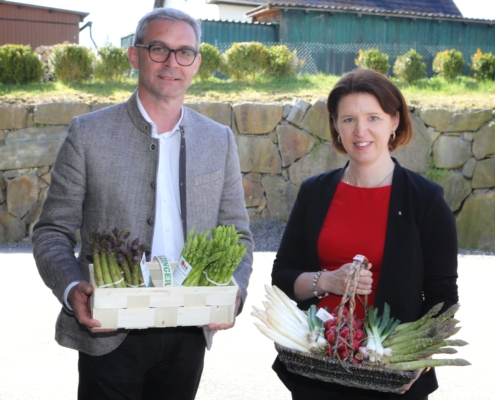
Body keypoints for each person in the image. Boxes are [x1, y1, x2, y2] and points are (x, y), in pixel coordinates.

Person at [32, 8, 253, 400]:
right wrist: (71, 288)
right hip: (111, 330)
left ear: (197, 64)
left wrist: (233, 289)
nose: (172, 62)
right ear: (135, 56)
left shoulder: (218, 140)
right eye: (158, 49)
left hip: (190, 329)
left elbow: (238, 234)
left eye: (184, 52)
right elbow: (52, 230)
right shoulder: (89, 133)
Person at [271, 68, 458, 400]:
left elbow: (442, 296)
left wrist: (418, 362)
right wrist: (327, 281)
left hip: (391, 374)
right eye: (348, 120)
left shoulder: (425, 200)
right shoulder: (314, 192)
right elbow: (283, 277)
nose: (361, 131)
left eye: (373, 117)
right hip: (318, 368)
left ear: (394, 121)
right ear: (335, 126)